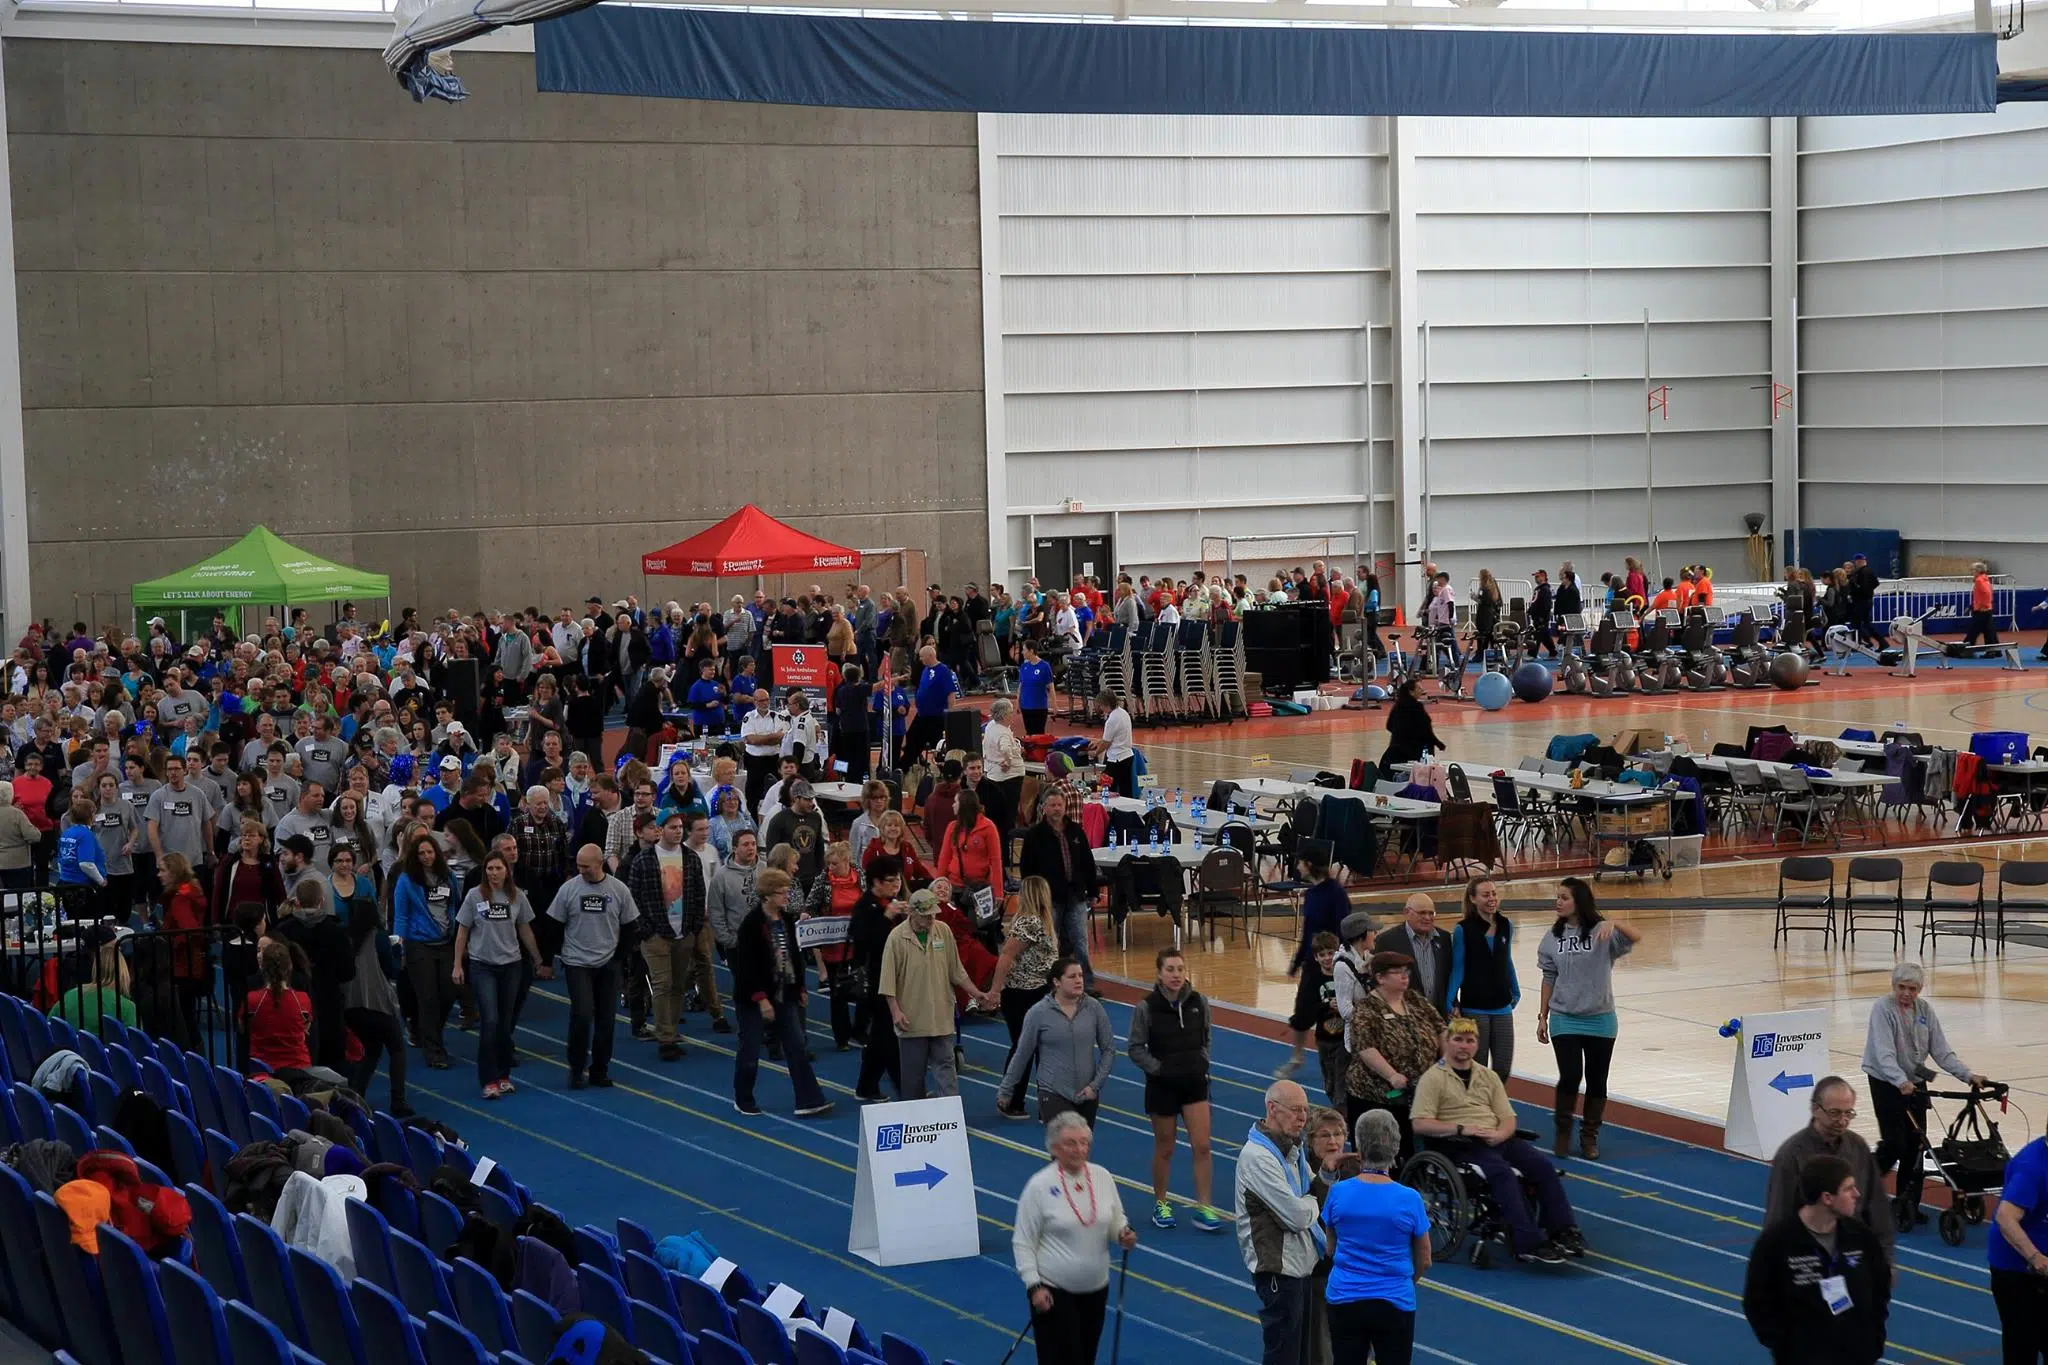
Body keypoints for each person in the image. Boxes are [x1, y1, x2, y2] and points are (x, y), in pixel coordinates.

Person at [1411, 1018, 1585, 1266]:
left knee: (1543, 1168)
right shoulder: (1433, 1078)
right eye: (1458, 1040)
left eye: (1469, 1041)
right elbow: (1420, 1123)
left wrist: (1501, 1134)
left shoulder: (1488, 1076)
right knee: (1503, 1174)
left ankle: (1564, 1230)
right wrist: (1462, 1128)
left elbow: (1507, 1117)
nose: (1464, 1046)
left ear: (1476, 1045)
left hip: (1497, 1138)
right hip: (1459, 1143)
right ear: (1447, 1042)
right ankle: (1529, 1243)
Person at [1861, 961, 1987, 1229]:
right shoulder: (1883, 1009)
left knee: (1917, 1145)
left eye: (1913, 989)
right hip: (1886, 1081)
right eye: (1902, 987)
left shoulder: (1925, 1011)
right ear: (1893, 986)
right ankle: (1862, 1184)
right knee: (1895, 1143)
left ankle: (1909, 1204)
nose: (1907, 993)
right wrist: (1900, 1080)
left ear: (1920, 990)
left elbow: (1941, 1051)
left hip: (1915, 1081)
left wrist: (1967, 1075)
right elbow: (1884, 1054)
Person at [1012, 1110, 1137, 1365]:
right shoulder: (1039, 1186)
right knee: (1061, 1359)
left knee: (1086, 1357)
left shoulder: (1102, 1176)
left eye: (1084, 1143)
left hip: (1096, 1289)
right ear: (1055, 1147)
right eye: (1071, 1143)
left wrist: (1122, 1233)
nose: (1079, 1149)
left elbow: (1115, 1218)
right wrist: (1034, 1286)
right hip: (1054, 1292)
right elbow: (1023, 1241)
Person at [1743, 1154, 1891, 1365]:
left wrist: (1873, 1339)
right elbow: (1757, 1300)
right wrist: (1786, 1345)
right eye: (1848, 1189)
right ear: (1827, 1198)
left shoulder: (1860, 1237)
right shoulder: (1778, 1242)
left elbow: (1880, 1288)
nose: (1857, 1194)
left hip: (1856, 1356)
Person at [1535, 876, 1639, 1160]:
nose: (1558, 902)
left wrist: (1614, 922)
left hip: (1600, 1018)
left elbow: (1636, 937)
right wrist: (1542, 1016)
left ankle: (1589, 1135)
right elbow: (1548, 977)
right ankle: (1563, 1131)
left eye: (1564, 897)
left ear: (1579, 901)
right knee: (1570, 1076)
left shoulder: (1601, 933)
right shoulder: (1552, 937)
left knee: (1597, 1080)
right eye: (1557, 897)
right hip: (1564, 1017)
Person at [1320, 1108, 1430, 1365]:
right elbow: (1424, 1259)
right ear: (1396, 1146)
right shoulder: (1409, 1199)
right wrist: (1403, 1281)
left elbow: (1330, 1248)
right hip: (1394, 1300)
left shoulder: (1338, 1193)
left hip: (1345, 1297)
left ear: (1359, 1146)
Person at [1127, 947, 1224, 1233]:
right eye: (1170, 969)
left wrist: (1201, 1061)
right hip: (1162, 1087)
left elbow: (1206, 1037)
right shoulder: (1147, 1007)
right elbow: (1134, 1047)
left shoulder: (1199, 1002)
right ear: (1159, 973)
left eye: (1180, 969)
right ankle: (1161, 1204)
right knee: (1165, 1147)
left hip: (1195, 1084)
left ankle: (1204, 1206)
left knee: (1203, 1146)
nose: (1176, 975)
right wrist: (1159, 1069)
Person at [729, 867, 834, 1119]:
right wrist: (761, 999)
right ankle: (743, 1098)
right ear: (767, 895)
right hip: (755, 998)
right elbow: (747, 968)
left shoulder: (787, 920)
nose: (787, 896)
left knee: (797, 1046)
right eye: (782, 892)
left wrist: (799, 987)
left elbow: (794, 958)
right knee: (751, 1049)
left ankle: (809, 1098)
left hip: (785, 994)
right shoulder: (751, 925)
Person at [1236, 1079, 1324, 1365]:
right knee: (1283, 1354)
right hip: (1278, 1269)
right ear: (1272, 1109)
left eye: (1306, 1111)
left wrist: (1325, 1181)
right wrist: (1312, 1200)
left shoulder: (1292, 1149)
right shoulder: (1258, 1158)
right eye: (1296, 1110)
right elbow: (1297, 1216)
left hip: (1301, 1265)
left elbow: (1314, 1187)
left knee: (1300, 1353)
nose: (1303, 1118)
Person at [1765, 1076, 1895, 1267]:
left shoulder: (1858, 1147)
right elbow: (1778, 1217)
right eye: (1834, 1113)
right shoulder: (1792, 1156)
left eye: (1848, 1113)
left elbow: (1877, 1209)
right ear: (1815, 1108)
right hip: (1808, 1261)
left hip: (1853, 1258)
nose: (1842, 1121)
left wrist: (1885, 1260)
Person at [453, 850, 548, 1099]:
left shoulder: (516, 897)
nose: (493, 873)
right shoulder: (474, 896)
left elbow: (525, 929)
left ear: (507, 870)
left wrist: (538, 958)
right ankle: (488, 1079)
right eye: (489, 869)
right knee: (490, 1021)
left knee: (505, 1024)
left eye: (498, 868)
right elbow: (462, 931)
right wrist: (457, 964)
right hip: (482, 965)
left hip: (511, 965)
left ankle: (504, 1075)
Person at [878, 887, 988, 1100]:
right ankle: (914, 1118)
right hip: (912, 1018)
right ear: (911, 912)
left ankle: (951, 1116)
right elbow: (888, 981)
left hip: (941, 1016)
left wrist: (976, 993)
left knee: (947, 1070)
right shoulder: (896, 938)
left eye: (933, 915)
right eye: (925, 916)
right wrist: (896, 1012)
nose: (930, 920)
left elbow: (957, 971)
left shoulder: (943, 931)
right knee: (913, 1076)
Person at [545, 844, 640, 1090]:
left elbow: (630, 925)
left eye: (585, 866)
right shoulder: (568, 889)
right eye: (578, 865)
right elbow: (554, 925)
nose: (581, 870)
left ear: (600, 864)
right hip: (577, 962)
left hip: (608, 962)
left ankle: (599, 1068)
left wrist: (619, 957)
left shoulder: (619, 890)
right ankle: (576, 1069)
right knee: (582, 1015)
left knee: (606, 1020)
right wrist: (549, 960)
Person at [1343, 951, 1443, 1155]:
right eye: (1397, 972)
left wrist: (1448, 1061)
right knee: (1381, 1152)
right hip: (1376, 1094)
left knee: (1408, 1148)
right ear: (1380, 978)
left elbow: (1441, 1028)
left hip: (1417, 1090)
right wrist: (1392, 1075)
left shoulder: (1415, 999)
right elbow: (1366, 1048)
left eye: (1406, 971)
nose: (1405, 976)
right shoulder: (1366, 1009)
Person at [997, 956, 1114, 1127]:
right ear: (1056, 982)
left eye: (1080, 976)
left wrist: (1095, 1086)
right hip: (1052, 1094)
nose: (1079, 981)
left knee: (1081, 1150)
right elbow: (1022, 1053)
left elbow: (1109, 1049)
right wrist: (1006, 1089)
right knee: (1063, 1148)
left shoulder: (1094, 1008)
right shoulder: (1038, 1013)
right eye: (1072, 976)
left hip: (1087, 1094)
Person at [988, 875, 1059, 1120]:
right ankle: (1010, 1098)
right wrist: (996, 990)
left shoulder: (1040, 921)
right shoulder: (1030, 922)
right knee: (1024, 1047)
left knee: (1039, 1048)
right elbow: (1006, 956)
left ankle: (1041, 1102)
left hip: (1039, 990)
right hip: (1021, 993)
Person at [1019, 788, 1100, 990]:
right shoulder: (1034, 836)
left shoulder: (1076, 831)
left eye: (1060, 805)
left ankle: (1086, 984)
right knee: (1049, 943)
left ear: (1065, 807)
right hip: (1048, 899)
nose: (1057, 809)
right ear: (1044, 808)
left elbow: (1088, 862)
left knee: (1080, 943)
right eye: (1052, 805)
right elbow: (1026, 870)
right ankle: (1050, 984)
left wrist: (1093, 891)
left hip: (1076, 896)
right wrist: (1033, 898)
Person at [1280, 849, 1351, 1079]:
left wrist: (1342, 958)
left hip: (1335, 962)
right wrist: (1297, 961)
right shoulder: (1310, 893)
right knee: (1301, 1012)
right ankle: (1297, 1056)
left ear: (1310, 864)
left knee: (1334, 1014)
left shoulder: (1336, 894)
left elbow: (1345, 927)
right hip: (1313, 961)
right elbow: (1307, 930)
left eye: (1300, 862)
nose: (1297, 867)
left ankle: (1341, 1058)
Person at [393, 833, 460, 1070]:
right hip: (418, 945)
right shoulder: (406, 880)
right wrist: (399, 946)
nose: (426, 857)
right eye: (421, 853)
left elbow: (456, 905)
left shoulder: (448, 877)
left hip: (446, 943)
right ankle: (434, 1050)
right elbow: (400, 915)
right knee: (428, 997)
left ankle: (427, 1031)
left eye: (430, 852)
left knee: (448, 994)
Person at [1445, 876, 1518, 1082]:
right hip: (1475, 1008)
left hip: (1502, 1006)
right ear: (1473, 899)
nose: (1492, 898)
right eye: (1486, 895)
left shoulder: (1506, 925)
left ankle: (1493, 1107)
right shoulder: (1463, 929)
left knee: (1503, 1068)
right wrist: (1450, 999)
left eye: (1494, 894)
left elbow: (1507, 960)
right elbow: (1458, 967)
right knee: (1478, 1068)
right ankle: (1476, 1109)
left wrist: (1515, 989)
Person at [850, 856, 907, 1102]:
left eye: (898, 880)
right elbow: (865, 942)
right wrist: (885, 918)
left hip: (893, 975)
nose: (896, 885)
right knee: (888, 1035)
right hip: (875, 979)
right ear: (876, 882)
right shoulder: (865, 907)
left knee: (879, 1038)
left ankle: (866, 1086)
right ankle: (906, 1088)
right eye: (891, 881)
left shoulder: (889, 903)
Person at [1991, 1133, 2048, 1364]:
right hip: (2019, 1272)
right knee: (2022, 1347)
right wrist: (2036, 1258)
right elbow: (2005, 1217)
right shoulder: (2032, 1167)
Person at [1374, 894, 1451, 1018]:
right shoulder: (1387, 940)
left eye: (1431, 913)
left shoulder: (1444, 938)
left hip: (1439, 1016)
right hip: (1405, 1018)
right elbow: (1378, 982)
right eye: (1422, 913)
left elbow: (1448, 975)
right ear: (1406, 913)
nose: (1427, 918)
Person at [244, 939, 313, 1075]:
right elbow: (306, 1029)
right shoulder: (303, 1000)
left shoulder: (251, 1000)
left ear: (262, 966)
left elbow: (242, 1027)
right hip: (299, 1072)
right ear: (290, 966)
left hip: (262, 1073)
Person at [1380, 679, 1444, 768]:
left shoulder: (1397, 706)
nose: (1421, 691)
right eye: (1419, 688)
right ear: (1411, 692)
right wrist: (1438, 744)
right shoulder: (1417, 707)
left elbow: (1389, 726)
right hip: (1415, 753)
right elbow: (1427, 731)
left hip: (1395, 751)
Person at [1087, 691, 1136, 798]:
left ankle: (1112, 811)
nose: (1100, 708)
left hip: (1116, 759)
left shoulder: (1112, 720)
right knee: (1126, 788)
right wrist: (1098, 742)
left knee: (1109, 788)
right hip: (1127, 755)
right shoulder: (1123, 713)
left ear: (1106, 704)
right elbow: (1114, 736)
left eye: (1100, 705)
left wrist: (1095, 753)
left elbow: (1106, 743)